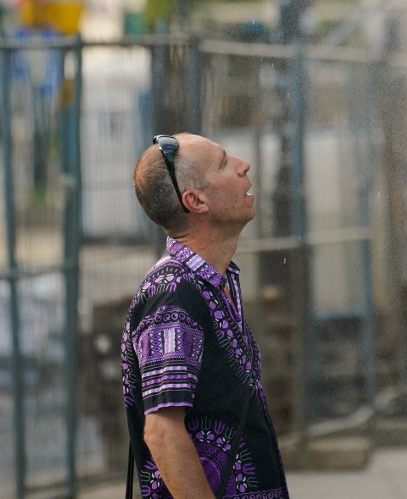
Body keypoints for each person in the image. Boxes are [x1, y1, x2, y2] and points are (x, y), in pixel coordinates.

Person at [121, 133, 289, 498]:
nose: (244, 166)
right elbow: (162, 432)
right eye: (225, 164)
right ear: (195, 200)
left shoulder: (213, 281)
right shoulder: (173, 295)